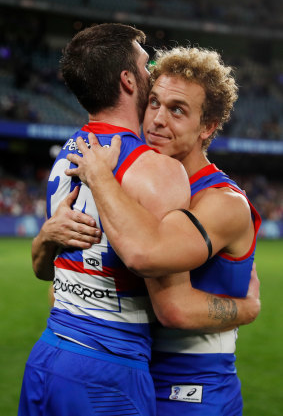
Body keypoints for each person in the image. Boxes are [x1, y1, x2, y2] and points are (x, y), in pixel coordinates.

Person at [61, 47, 262, 416]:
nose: (156, 119)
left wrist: (247, 308)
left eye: (177, 110)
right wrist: (48, 239)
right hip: (133, 378)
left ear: (208, 127)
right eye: (153, 102)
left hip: (194, 390)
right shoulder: (137, 182)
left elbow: (175, 309)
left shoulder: (223, 202)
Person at [18, 23, 194, 416]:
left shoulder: (66, 156)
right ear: (128, 80)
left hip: (48, 355)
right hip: (108, 368)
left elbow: (49, 270)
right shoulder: (156, 169)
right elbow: (173, 304)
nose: (154, 76)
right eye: (147, 67)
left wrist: (46, 238)